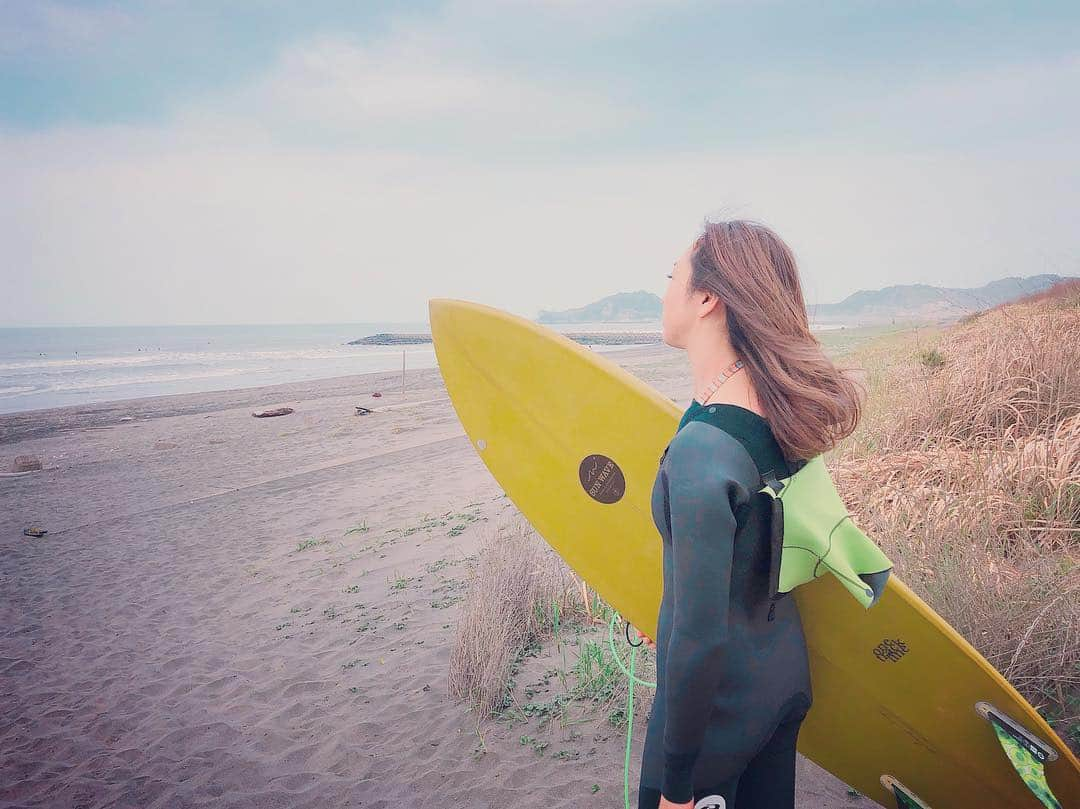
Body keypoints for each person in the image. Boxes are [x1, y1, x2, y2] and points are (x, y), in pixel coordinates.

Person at [635, 219, 866, 809]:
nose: (663, 290)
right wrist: (665, 617)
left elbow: (700, 636)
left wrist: (678, 786)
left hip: (716, 718)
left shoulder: (701, 450)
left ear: (706, 298)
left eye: (672, 277)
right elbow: (763, 546)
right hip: (782, 680)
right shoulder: (782, 412)